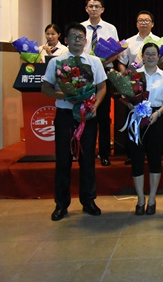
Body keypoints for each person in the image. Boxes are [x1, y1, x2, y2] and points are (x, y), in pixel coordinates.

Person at [41, 23, 107, 221]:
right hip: (65, 115)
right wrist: (66, 95)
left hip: (87, 116)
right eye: (73, 37)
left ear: (85, 41)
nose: (77, 40)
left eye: (80, 37)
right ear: (66, 40)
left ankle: (88, 200)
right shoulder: (57, 62)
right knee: (63, 160)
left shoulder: (94, 62)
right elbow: (45, 88)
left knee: (88, 160)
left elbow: (102, 88)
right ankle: (61, 204)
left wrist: (94, 105)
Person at [128, 42, 163, 215]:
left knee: (155, 158)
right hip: (136, 119)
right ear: (142, 56)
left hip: (156, 118)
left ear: (158, 56)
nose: (150, 57)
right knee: (137, 158)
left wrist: (157, 114)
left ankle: (152, 198)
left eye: (153, 54)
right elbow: (126, 96)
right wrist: (131, 106)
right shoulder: (134, 75)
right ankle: (140, 199)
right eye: (147, 54)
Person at [81, 0, 119, 167]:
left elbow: (117, 52)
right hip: (84, 73)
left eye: (97, 6)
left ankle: (104, 154)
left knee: (103, 115)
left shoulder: (110, 28)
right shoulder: (81, 28)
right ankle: (85, 151)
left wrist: (102, 63)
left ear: (102, 9)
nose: (94, 9)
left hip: (104, 71)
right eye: (91, 6)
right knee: (85, 113)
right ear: (86, 9)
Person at [117, 10, 159, 165]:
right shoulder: (128, 42)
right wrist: (126, 77)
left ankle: (150, 152)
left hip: (153, 84)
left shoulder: (159, 42)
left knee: (150, 116)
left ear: (152, 24)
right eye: (141, 20)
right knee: (132, 117)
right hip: (134, 86)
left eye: (147, 20)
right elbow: (121, 62)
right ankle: (132, 153)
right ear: (136, 24)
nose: (144, 23)